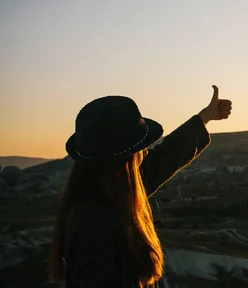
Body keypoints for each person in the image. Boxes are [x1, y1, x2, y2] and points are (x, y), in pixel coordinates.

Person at [49, 85, 232, 287]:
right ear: (122, 162)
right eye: (141, 148)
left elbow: (165, 158)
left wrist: (205, 116)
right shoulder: (94, 231)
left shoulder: (108, 193)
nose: (146, 153)